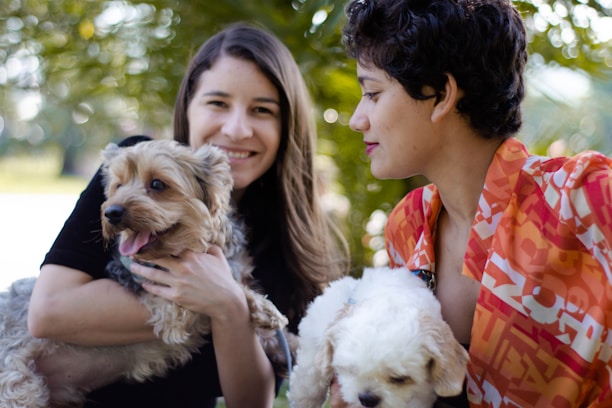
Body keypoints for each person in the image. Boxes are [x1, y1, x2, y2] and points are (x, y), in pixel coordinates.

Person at [27, 22, 348, 408]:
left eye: (262, 110)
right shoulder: (131, 164)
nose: (236, 128)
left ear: (287, 126)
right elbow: (46, 313)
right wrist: (216, 303)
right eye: (217, 103)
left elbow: (253, 401)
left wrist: (229, 306)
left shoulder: (284, 245)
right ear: (189, 107)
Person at [337, 0, 612, 407]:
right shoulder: (407, 226)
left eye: (373, 93)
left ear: (441, 94)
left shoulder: (583, 198)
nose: (357, 119)